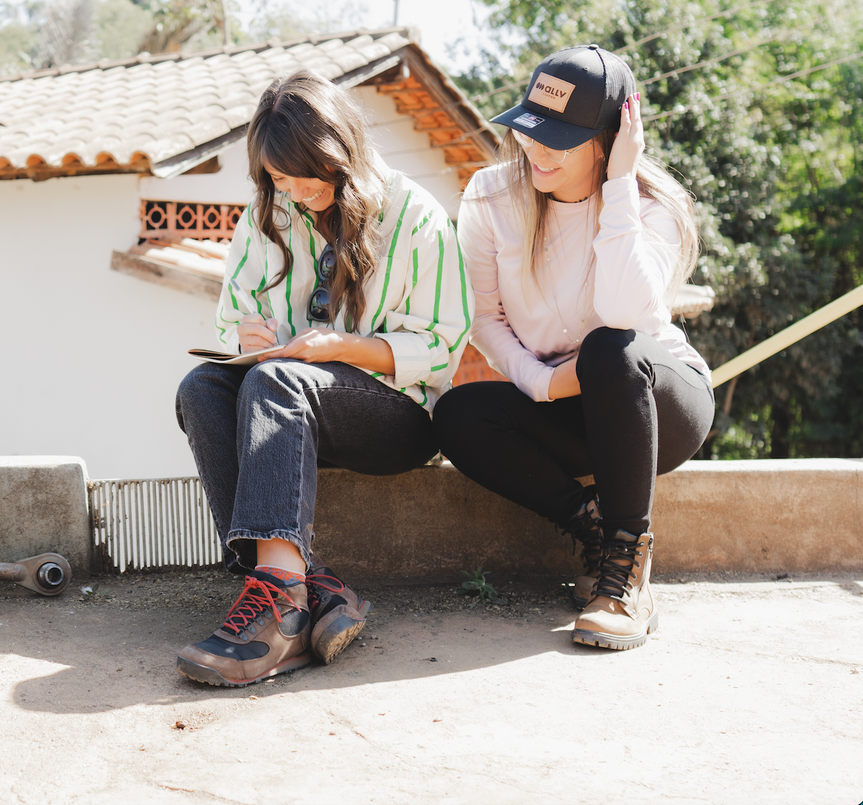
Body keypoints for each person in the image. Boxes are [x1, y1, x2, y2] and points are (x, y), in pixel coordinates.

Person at [173, 69, 471, 686]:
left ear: (339, 153)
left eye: (304, 175)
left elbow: (441, 349)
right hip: (284, 402)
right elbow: (234, 313)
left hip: (396, 416)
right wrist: (247, 338)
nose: (293, 191)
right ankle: (303, 587)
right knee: (202, 388)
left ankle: (280, 609)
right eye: (278, 178)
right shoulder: (272, 210)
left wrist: (347, 347)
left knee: (275, 382)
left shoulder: (415, 215)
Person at [434, 44, 713, 651]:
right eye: (530, 130)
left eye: (558, 138)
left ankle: (625, 568)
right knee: (456, 414)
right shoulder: (490, 196)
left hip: (655, 403)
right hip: (563, 398)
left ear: (611, 137)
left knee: (610, 349)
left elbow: (622, 316)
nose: (535, 149)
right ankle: (589, 524)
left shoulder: (651, 207)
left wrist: (617, 184)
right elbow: (482, 317)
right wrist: (540, 383)